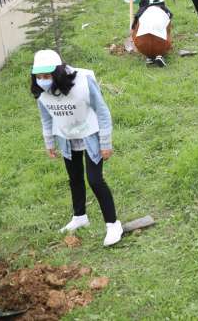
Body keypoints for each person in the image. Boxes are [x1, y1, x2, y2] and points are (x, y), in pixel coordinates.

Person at [30, 50, 122, 247]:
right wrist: (49, 143)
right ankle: (80, 216)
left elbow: (103, 112)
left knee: (95, 180)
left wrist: (105, 143)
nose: (43, 80)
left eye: (47, 76)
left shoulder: (82, 82)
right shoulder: (42, 93)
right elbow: (46, 118)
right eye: (39, 77)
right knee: (75, 179)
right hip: (67, 138)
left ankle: (113, 224)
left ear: (59, 72)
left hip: (90, 135)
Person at [132, 0, 173, 67]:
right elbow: (168, 31)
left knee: (141, 35)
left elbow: (133, 28)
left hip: (141, 45)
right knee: (167, 36)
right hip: (160, 44)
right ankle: (159, 55)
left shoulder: (142, 10)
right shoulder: (167, 12)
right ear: (163, 3)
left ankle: (149, 57)